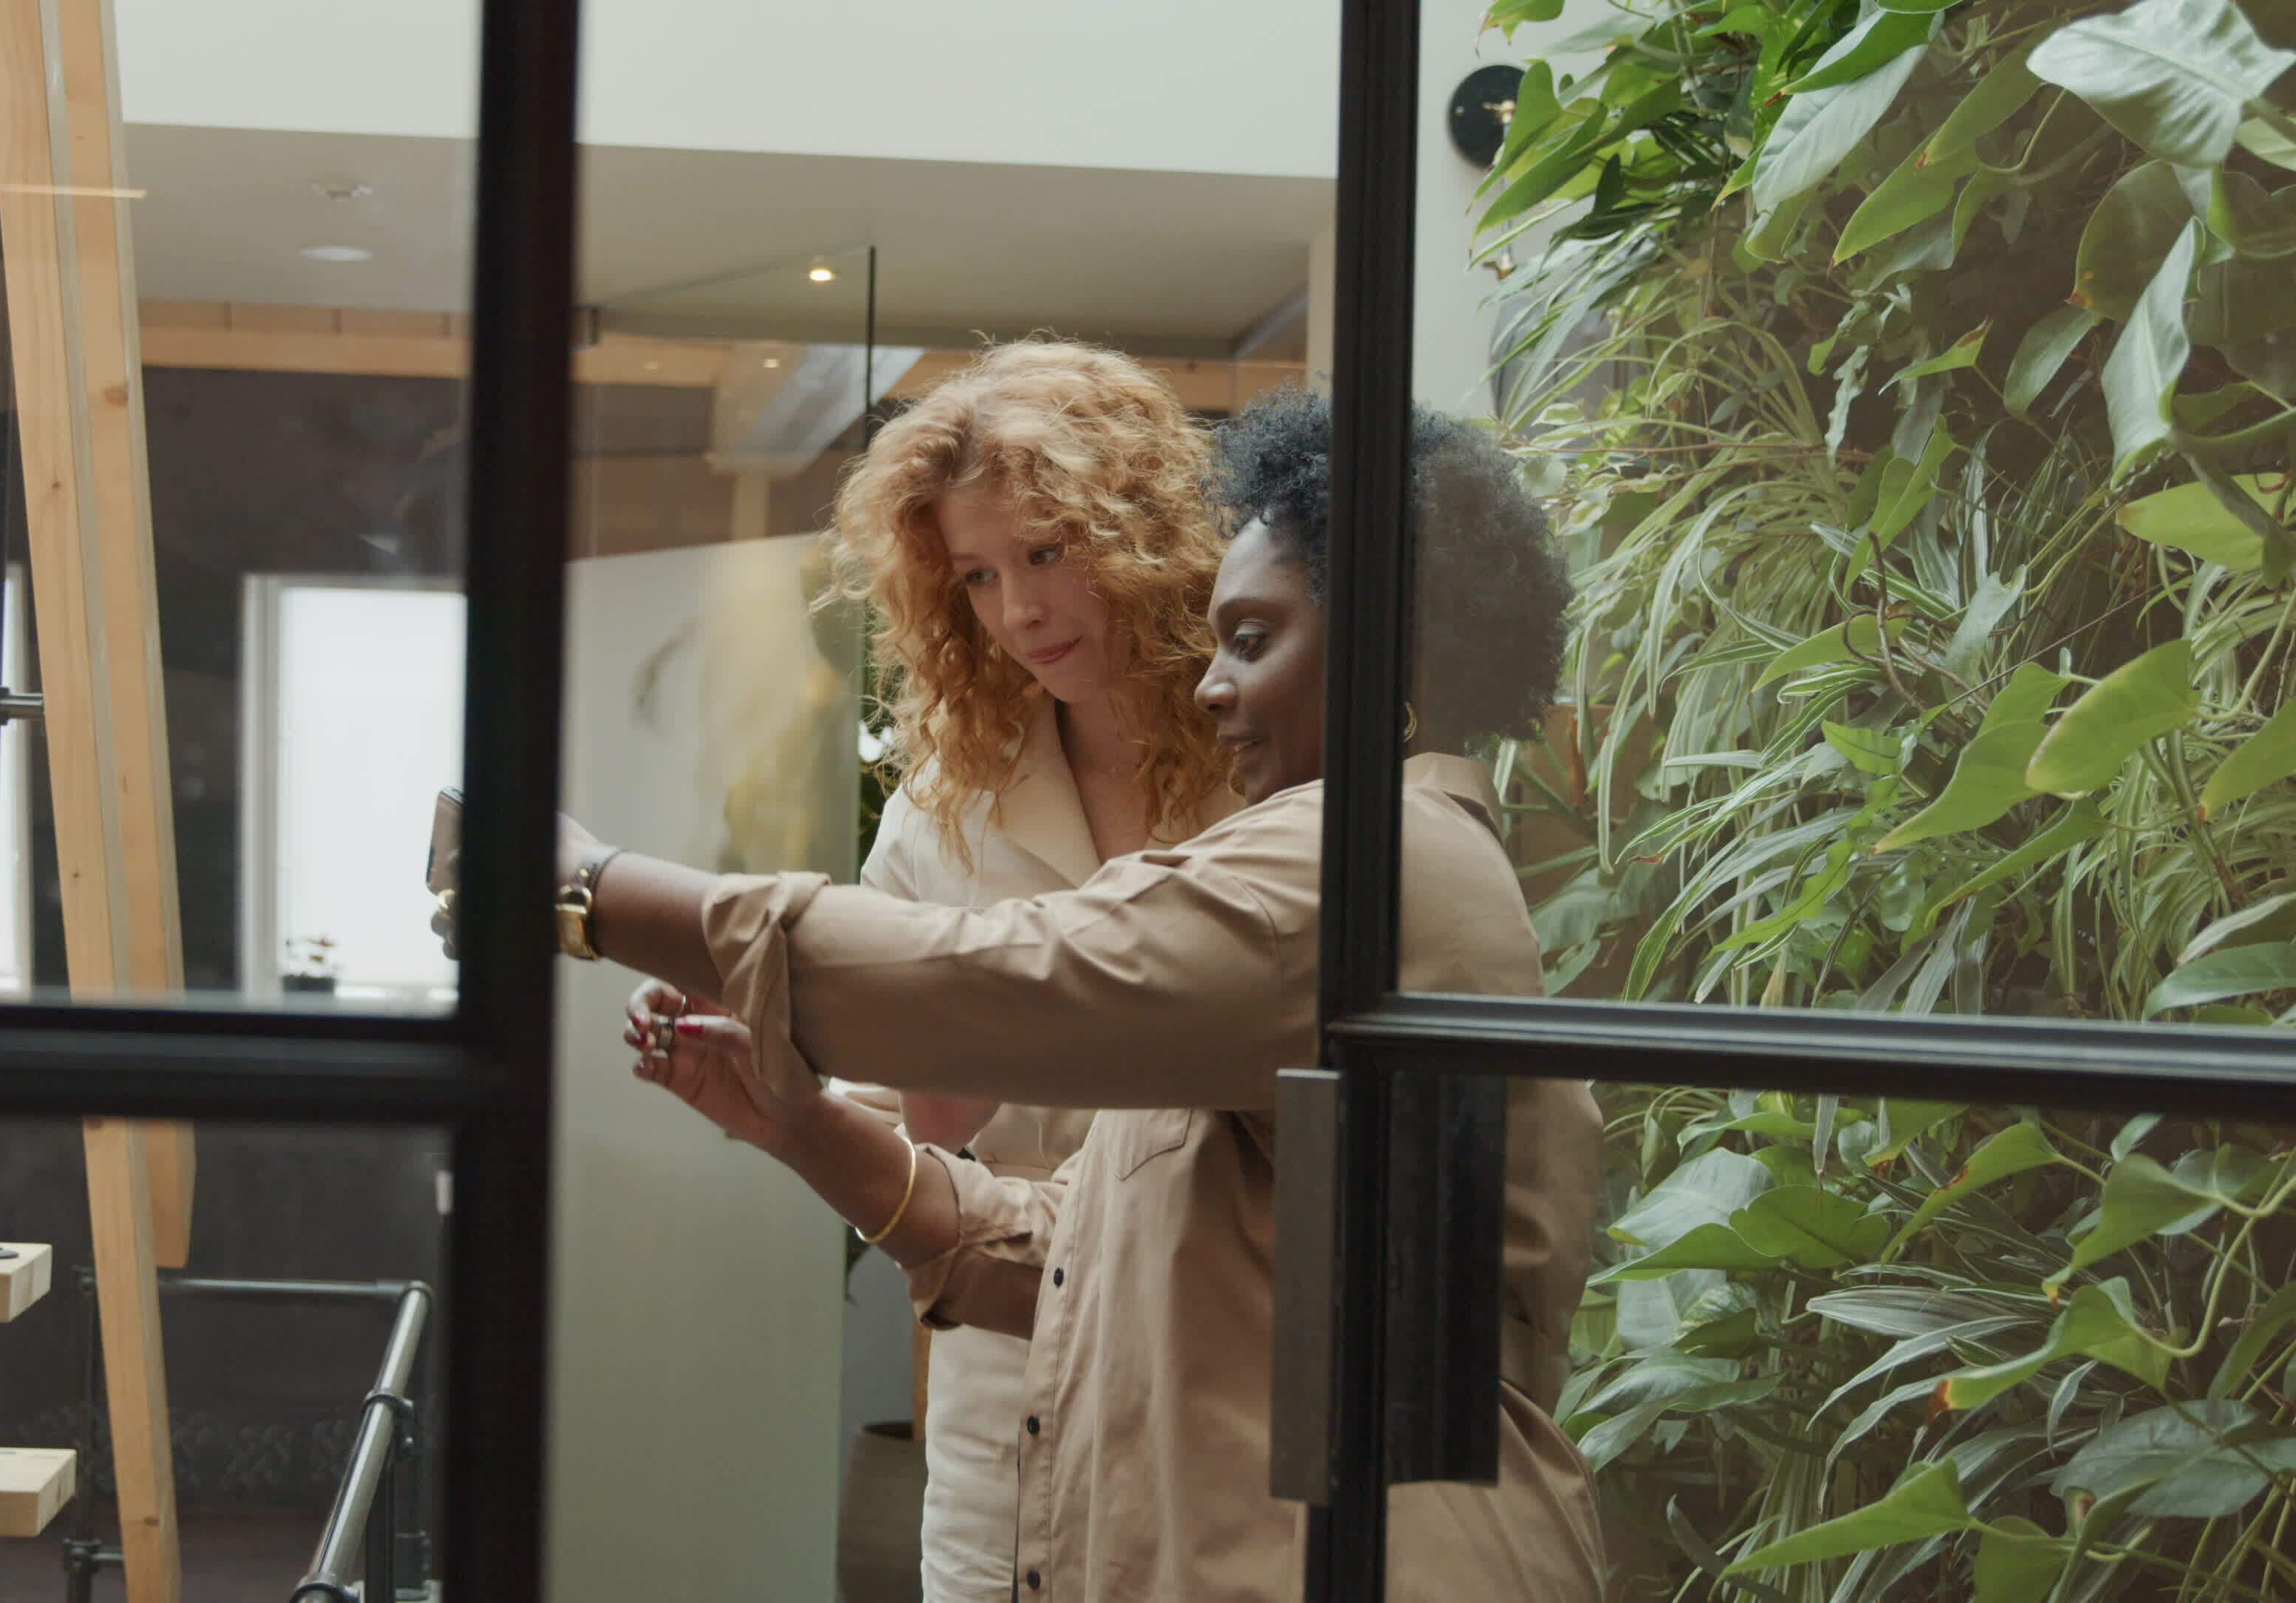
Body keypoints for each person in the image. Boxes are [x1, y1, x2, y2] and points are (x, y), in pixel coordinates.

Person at [571, 387, 1604, 1599]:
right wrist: (804, 1126)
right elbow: (1081, 1248)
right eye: (978, 577)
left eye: (1256, 642)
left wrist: (592, 889)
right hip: (1147, 1491)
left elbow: (1017, 981)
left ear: (1390, 645)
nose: (1219, 686)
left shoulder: (1355, 859)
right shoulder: (1333, 847)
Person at [822, 338, 1237, 1601]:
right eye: (981, 576)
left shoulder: (1266, 771)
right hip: (1010, 1377)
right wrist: (923, 1127)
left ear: (1147, 534)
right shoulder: (948, 811)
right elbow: (874, 1117)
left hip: (1219, 1359)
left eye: (1049, 553)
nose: (1021, 613)